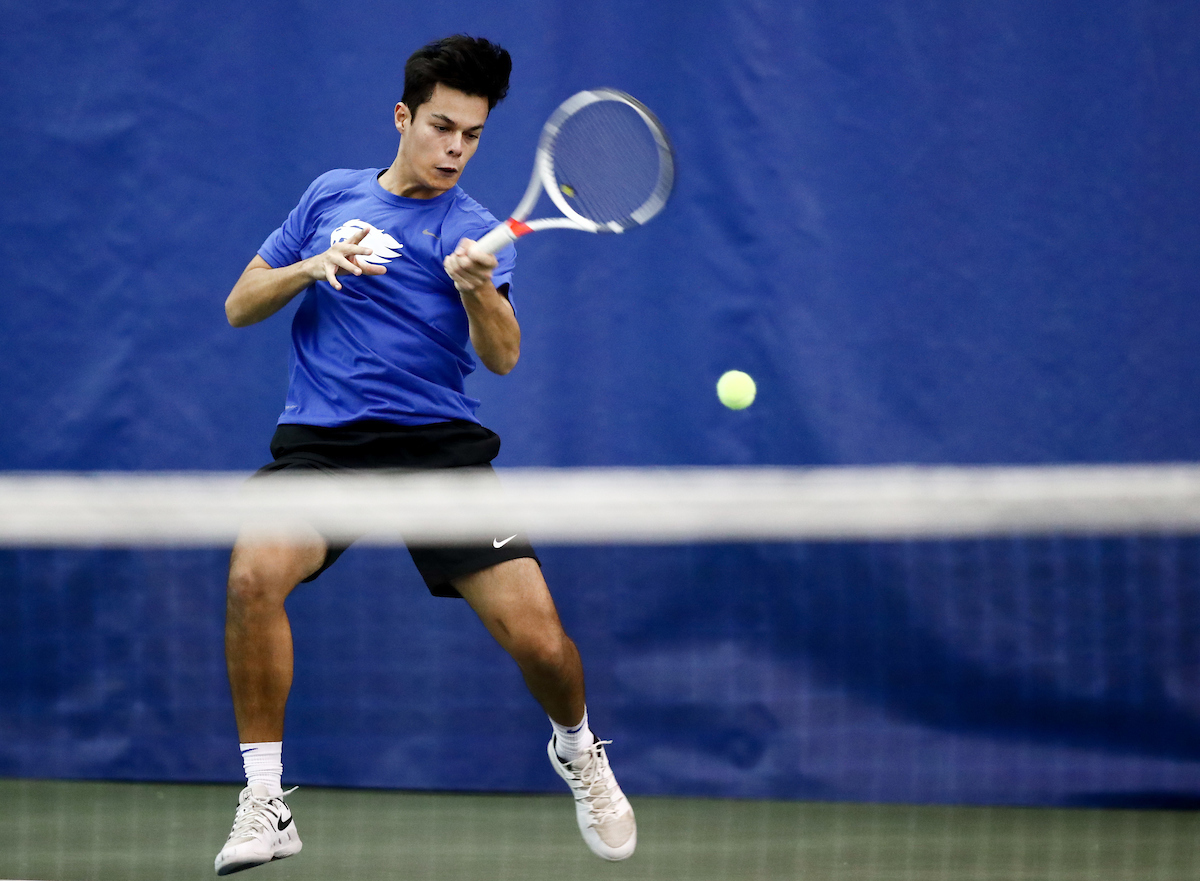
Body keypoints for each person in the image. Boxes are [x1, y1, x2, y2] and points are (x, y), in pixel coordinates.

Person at [213, 35, 636, 876]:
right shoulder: (328, 196)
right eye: (442, 126)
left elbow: (505, 357)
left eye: (472, 135)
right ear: (403, 116)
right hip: (325, 451)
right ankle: (265, 799)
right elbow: (238, 303)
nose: (454, 147)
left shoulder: (479, 232)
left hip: (438, 454)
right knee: (251, 575)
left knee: (545, 646)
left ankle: (580, 750)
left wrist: (477, 285)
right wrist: (312, 263)